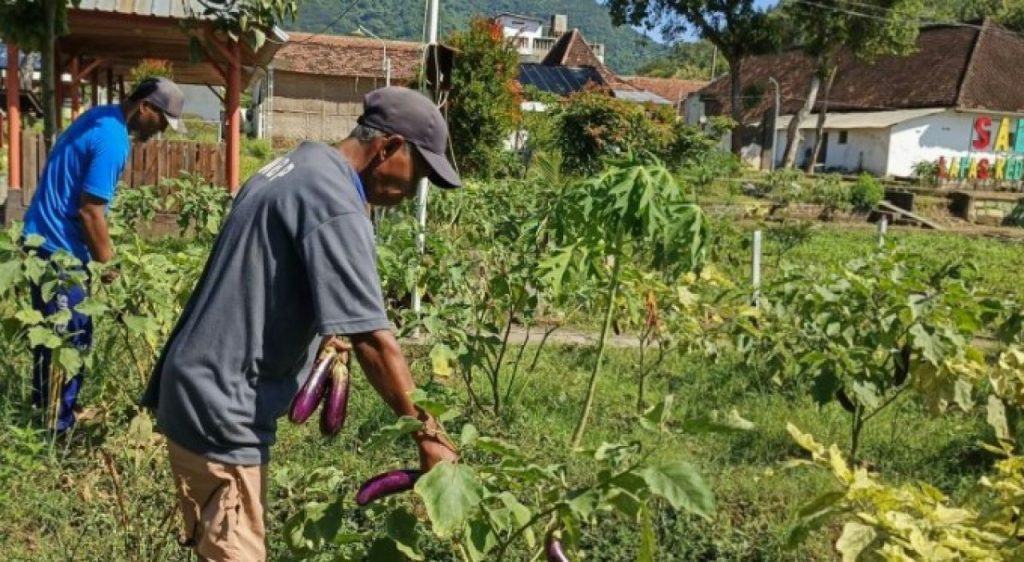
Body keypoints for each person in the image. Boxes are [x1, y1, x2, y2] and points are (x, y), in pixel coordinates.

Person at [141, 86, 462, 561]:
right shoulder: (334, 200)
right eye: (419, 174)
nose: (414, 190)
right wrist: (431, 437)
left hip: (196, 388)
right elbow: (374, 340)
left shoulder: (296, 167)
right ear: (388, 148)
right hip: (221, 407)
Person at [23, 77, 187, 433]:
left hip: (43, 238)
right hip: (56, 249)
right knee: (68, 339)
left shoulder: (100, 116)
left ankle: (49, 412)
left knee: (60, 335)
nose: (159, 131)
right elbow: (90, 212)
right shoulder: (113, 139)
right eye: (161, 122)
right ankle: (56, 430)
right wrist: (111, 270)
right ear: (145, 107)